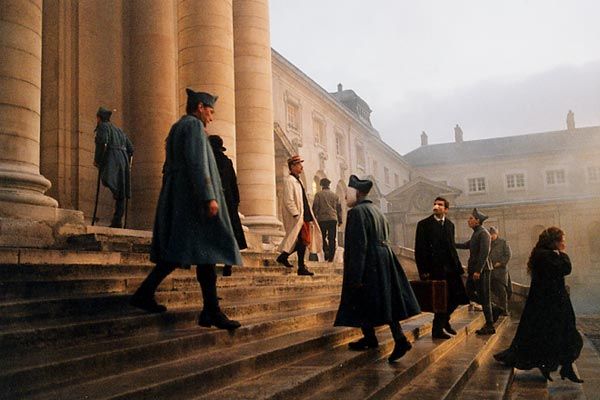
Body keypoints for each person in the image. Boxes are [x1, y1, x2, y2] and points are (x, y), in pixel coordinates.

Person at [130, 88, 242, 330]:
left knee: (193, 254)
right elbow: (197, 162)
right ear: (200, 107)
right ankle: (209, 311)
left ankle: (207, 310)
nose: (211, 117)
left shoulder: (178, 127)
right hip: (194, 203)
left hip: (184, 199)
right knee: (201, 252)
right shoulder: (193, 127)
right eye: (210, 111)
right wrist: (208, 196)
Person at [334, 175, 420, 363]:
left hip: (369, 262)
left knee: (370, 298)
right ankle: (371, 337)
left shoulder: (357, 213)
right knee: (382, 300)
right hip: (383, 259)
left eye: (348, 193)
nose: (346, 197)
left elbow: (359, 245)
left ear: (357, 193)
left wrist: (355, 275)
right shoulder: (377, 211)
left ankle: (400, 339)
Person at [494, 227, 583, 383]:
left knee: (566, 334)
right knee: (558, 334)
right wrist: (561, 254)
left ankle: (565, 368)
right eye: (562, 240)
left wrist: (559, 254)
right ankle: (556, 367)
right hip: (549, 303)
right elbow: (566, 268)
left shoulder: (546, 254)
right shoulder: (545, 255)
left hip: (556, 301)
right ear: (554, 242)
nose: (564, 243)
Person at [415, 197, 469, 339]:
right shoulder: (424, 224)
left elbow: (451, 248)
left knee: (458, 297)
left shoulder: (450, 225)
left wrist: (459, 268)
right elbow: (419, 249)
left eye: (440, 205)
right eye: (435, 204)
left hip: (451, 269)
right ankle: (437, 329)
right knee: (440, 299)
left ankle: (445, 321)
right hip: (435, 269)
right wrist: (423, 271)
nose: (436, 206)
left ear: (446, 209)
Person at [208, 135, 248, 277]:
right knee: (229, 235)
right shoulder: (227, 161)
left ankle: (211, 264)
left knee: (212, 235)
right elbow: (233, 183)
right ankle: (228, 265)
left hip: (212, 201)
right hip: (228, 203)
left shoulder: (208, 160)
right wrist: (235, 202)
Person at [276, 155, 322, 276]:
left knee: (304, 241)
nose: (301, 167)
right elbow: (288, 200)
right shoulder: (289, 181)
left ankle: (284, 256)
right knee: (303, 240)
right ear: (292, 166)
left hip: (305, 215)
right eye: (299, 165)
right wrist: (296, 214)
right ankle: (301, 267)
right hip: (298, 216)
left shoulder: (298, 180)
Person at [456, 208, 495, 335]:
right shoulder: (476, 233)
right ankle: (494, 309)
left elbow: (484, 253)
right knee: (469, 292)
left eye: (471, 218)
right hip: (475, 271)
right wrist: (450, 244)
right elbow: (466, 245)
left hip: (482, 271)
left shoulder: (483, 233)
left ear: (477, 221)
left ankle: (490, 325)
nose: (469, 220)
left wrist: (478, 271)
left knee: (484, 296)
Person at [93, 107, 134, 228]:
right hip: (123, 160)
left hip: (113, 158)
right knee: (121, 191)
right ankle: (117, 220)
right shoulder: (119, 130)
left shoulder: (103, 126)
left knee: (109, 181)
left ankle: (117, 221)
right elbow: (131, 148)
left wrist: (97, 160)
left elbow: (102, 142)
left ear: (99, 118)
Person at [312, 177, 342, 262]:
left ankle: (326, 251)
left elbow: (315, 207)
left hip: (322, 219)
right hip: (333, 219)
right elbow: (339, 209)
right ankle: (331, 257)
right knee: (332, 238)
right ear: (329, 185)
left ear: (321, 185)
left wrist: (313, 217)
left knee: (322, 237)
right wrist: (340, 220)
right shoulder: (335, 195)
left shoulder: (318, 195)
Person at [489, 226, 512, 317]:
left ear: (496, 234)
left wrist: (501, 263)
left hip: (501, 272)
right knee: (494, 290)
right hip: (491, 271)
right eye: (490, 234)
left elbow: (508, 254)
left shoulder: (503, 242)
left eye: (493, 234)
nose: (491, 236)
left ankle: (504, 310)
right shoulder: (488, 243)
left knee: (502, 291)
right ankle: (499, 309)